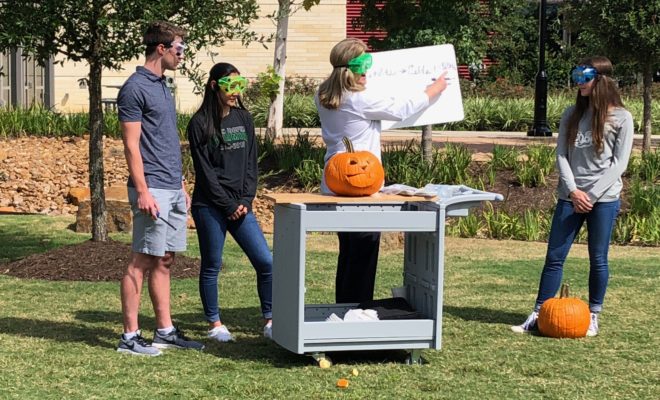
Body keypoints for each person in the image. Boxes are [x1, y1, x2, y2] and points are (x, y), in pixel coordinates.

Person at [315, 38, 448, 304]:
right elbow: (401, 109)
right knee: (364, 251)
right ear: (350, 68)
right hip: (360, 185)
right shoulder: (358, 99)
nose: (367, 72)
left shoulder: (323, 93)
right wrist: (435, 89)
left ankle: (346, 308)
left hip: (335, 182)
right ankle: (356, 312)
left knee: (350, 252)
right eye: (363, 65)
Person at [512, 56, 634, 337]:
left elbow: (620, 163)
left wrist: (589, 195)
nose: (579, 83)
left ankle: (593, 315)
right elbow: (562, 155)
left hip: (603, 199)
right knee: (554, 256)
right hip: (570, 196)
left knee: (598, 258)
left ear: (601, 80)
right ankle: (539, 313)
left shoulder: (622, 117)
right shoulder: (572, 114)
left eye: (584, 77)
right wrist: (573, 191)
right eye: (576, 77)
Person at [116, 21, 204, 356]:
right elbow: (131, 146)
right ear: (161, 49)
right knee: (141, 259)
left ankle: (164, 331)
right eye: (179, 49)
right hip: (150, 186)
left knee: (164, 259)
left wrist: (180, 182)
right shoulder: (135, 88)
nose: (183, 55)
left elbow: (164, 141)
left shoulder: (163, 85)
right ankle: (129, 337)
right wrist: (143, 190)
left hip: (170, 185)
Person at [187, 62, 273, 342]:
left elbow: (251, 164)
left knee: (265, 261)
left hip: (241, 205)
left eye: (240, 85)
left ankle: (270, 319)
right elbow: (205, 172)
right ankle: (215, 325)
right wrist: (227, 205)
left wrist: (246, 199)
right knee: (212, 264)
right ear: (214, 86)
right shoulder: (199, 124)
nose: (235, 92)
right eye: (229, 86)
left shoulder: (243, 118)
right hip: (209, 206)